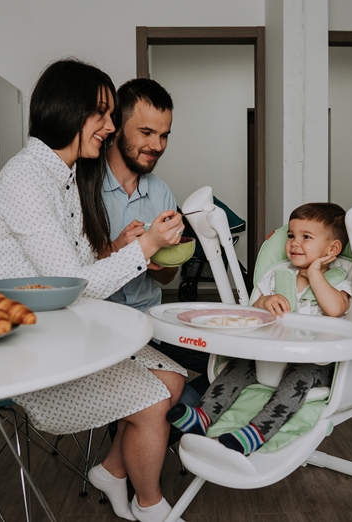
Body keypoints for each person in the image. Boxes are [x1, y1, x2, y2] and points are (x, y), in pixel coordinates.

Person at [0, 58, 187, 522]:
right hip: (27, 348)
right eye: (103, 114)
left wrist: (125, 249)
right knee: (154, 400)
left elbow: (77, 269)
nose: (109, 127)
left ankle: (111, 472)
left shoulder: (64, 175)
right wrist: (145, 245)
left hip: (64, 331)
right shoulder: (26, 179)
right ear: (70, 112)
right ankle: (152, 506)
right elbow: (69, 286)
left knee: (173, 379)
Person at [165, 202, 352, 455]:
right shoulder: (277, 273)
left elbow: (336, 309)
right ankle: (203, 415)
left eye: (306, 237)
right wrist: (265, 302)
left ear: (333, 249)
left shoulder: (340, 277)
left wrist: (315, 274)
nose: (294, 243)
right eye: (291, 236)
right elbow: (253, 308)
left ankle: (256, 432)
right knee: (237, 366)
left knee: (298, 380)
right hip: (269, 355)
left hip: (314, 363)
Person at [101, 77, 208, 404]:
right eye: (147, 133)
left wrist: (159, 258)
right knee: (171, 393)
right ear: (117, 126)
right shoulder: (81, 188)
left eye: (164, 135)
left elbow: (166, 276)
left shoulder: (161, 192)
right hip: (103, 328)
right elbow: (69, 274)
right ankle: (163, 417)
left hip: (152, 324)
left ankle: (176, 417)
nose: (158, 145)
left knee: (233, 362)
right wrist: (120, 248)